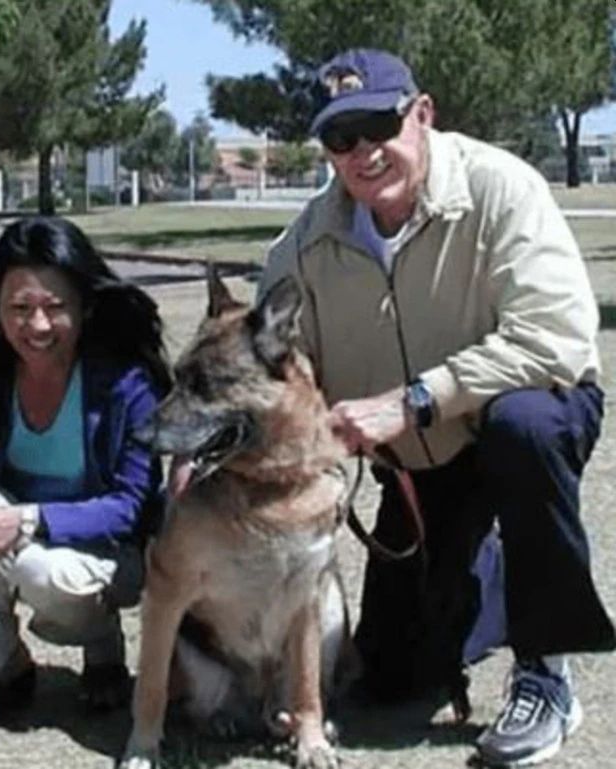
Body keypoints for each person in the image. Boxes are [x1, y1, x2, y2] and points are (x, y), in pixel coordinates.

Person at [259, 48, 615, 767]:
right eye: (339, 137)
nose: (363, 152)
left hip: (519, 419)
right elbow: (270, 360)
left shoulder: (501, 188)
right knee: (391, 678)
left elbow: (555, 338)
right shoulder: (304, 243)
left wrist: (416, 398)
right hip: (419, 465)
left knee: (526, 428)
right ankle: (482, 571)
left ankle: (545, 674)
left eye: (377, 125)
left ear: (421, 114)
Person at [0, 216, 171, 723]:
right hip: (20, 537)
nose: (37, 326)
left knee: (41, 572)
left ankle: (104, 648)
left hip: (107, 552)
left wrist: (27, 520)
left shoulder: (125, 381)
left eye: (55, 307)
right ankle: (8, 665)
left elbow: (130, 508)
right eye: (19, 309)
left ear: (86, 306)